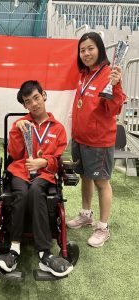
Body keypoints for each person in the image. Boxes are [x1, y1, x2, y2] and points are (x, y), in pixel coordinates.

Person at [0, 80, 73, 277]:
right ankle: (14, 249)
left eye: (37, 98)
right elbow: (14, 153)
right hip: (20, 170)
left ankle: (44, 253)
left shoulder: (57, 128)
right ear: (24, 106)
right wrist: (17, 131)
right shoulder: (20, 124)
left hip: (44, 174)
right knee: (21, 192)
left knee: (36, 190)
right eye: (29, 101)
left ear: (44, 95)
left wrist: (43, 162)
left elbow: (56, 159)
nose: (35, 104)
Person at [66, 32, 126, 247]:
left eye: (90, 48)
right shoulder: (83, 74)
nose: (86, 53)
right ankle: (85, 214)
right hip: (80, 138)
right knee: (85, 177)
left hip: (99, 140)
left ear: (100, 49)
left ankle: (103, 227)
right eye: (82, 50)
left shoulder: (110, 74)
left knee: (102, 182)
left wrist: (116, 85)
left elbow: (114, 109)